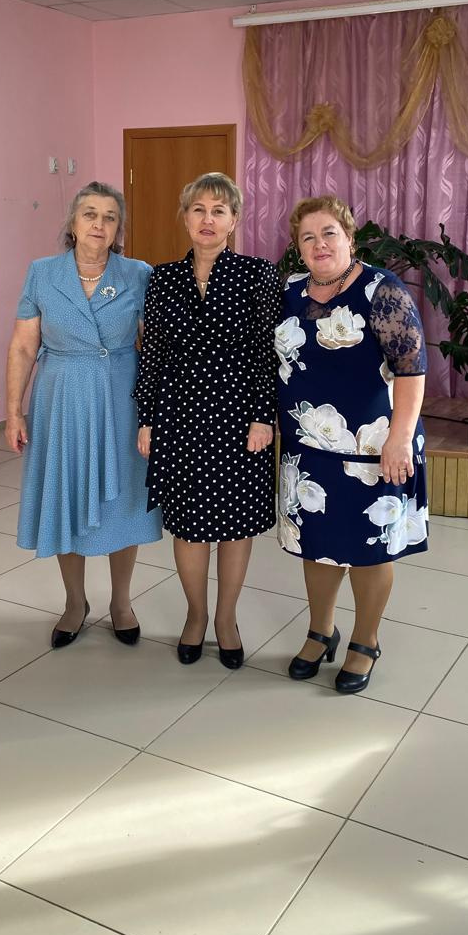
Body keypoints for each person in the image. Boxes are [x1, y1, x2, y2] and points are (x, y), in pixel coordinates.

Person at [276, 195, 428, 695]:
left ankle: (366, 640)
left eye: (329, 233)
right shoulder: (289, 291)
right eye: (308, 237)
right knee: (316, 543)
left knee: (369, 546)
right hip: (309, 447)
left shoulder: (382, 292)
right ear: (298, 247)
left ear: (349, 236)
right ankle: (321, 631)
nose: (319, 244)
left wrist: (399, 440)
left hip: (373, 446)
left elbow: (412, 373)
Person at [5, 182, 161, 649]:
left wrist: (156, 413)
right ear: (72, 223)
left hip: (120, 398)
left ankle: (121, 602)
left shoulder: (138, 274)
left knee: (123, 499)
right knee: (66, 495)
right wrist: (13, 412)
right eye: (90, 214)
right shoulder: (42, 273)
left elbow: (154, 348)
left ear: (119, 229)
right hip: (61, 400)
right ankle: (75, 603)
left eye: (110, 217)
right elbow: (23, 346)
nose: (99, 224)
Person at [135, 173, 280, 669]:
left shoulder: (257, 274)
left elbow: (267, 352)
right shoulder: (163, 278)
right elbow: (154, 353)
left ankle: (226, 619)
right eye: (198, 209)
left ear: (233, 221)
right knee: (189, 525)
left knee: (236, 524)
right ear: (185, 218)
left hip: (240, 416)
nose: (207, 219)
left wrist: (263, 416)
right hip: (179, 416)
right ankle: (195, 615)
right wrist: (147, 418)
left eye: (219, 210)